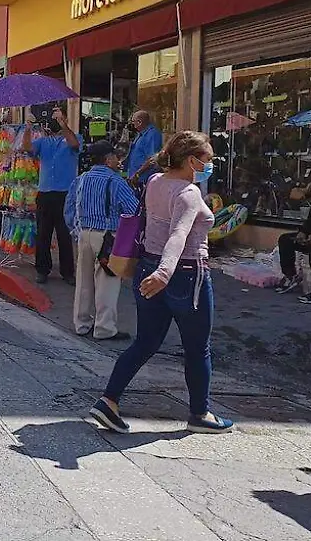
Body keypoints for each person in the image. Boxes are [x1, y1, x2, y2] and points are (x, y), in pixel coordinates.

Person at [89, 131, 234, 435]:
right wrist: (165, 273)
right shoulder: (188, 193)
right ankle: (200, 413)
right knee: (197, 348)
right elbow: (178, 234)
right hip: (185, 274)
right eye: (207, 160)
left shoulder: (156, 181)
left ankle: (108, 400)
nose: (209, 165)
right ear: (192, 160)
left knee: (146, 342)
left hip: (148, 267)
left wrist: (158, 271)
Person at [64, 141, 140, 341]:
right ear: (107, 159)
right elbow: (133, 211)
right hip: (107, 237)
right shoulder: (115, 181)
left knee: (83, 280)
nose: (117, 160)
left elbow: (69, 208)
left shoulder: (80, 180)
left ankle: (82, 323)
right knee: (107, 282)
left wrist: (75, 229)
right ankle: (104, 328)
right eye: (115, 156)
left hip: (84, 234)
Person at [23, 107, 81, 286]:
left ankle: (67, 272)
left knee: (64, 235)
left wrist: (64, 124)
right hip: (45, 193)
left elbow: (74, 145)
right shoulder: (43, 142)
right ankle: (42, 269)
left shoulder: (73, 136)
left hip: (65, 194)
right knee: (43, 234)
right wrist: (28, 127)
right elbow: (27, 148)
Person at [124, 110, 163, 186]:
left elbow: (152, 159)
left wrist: (138, 174)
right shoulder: (140, 134)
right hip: (135, 178)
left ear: (139, 122)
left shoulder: (152, 134)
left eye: (133, 122)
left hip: (144, 179)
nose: (132, 124)